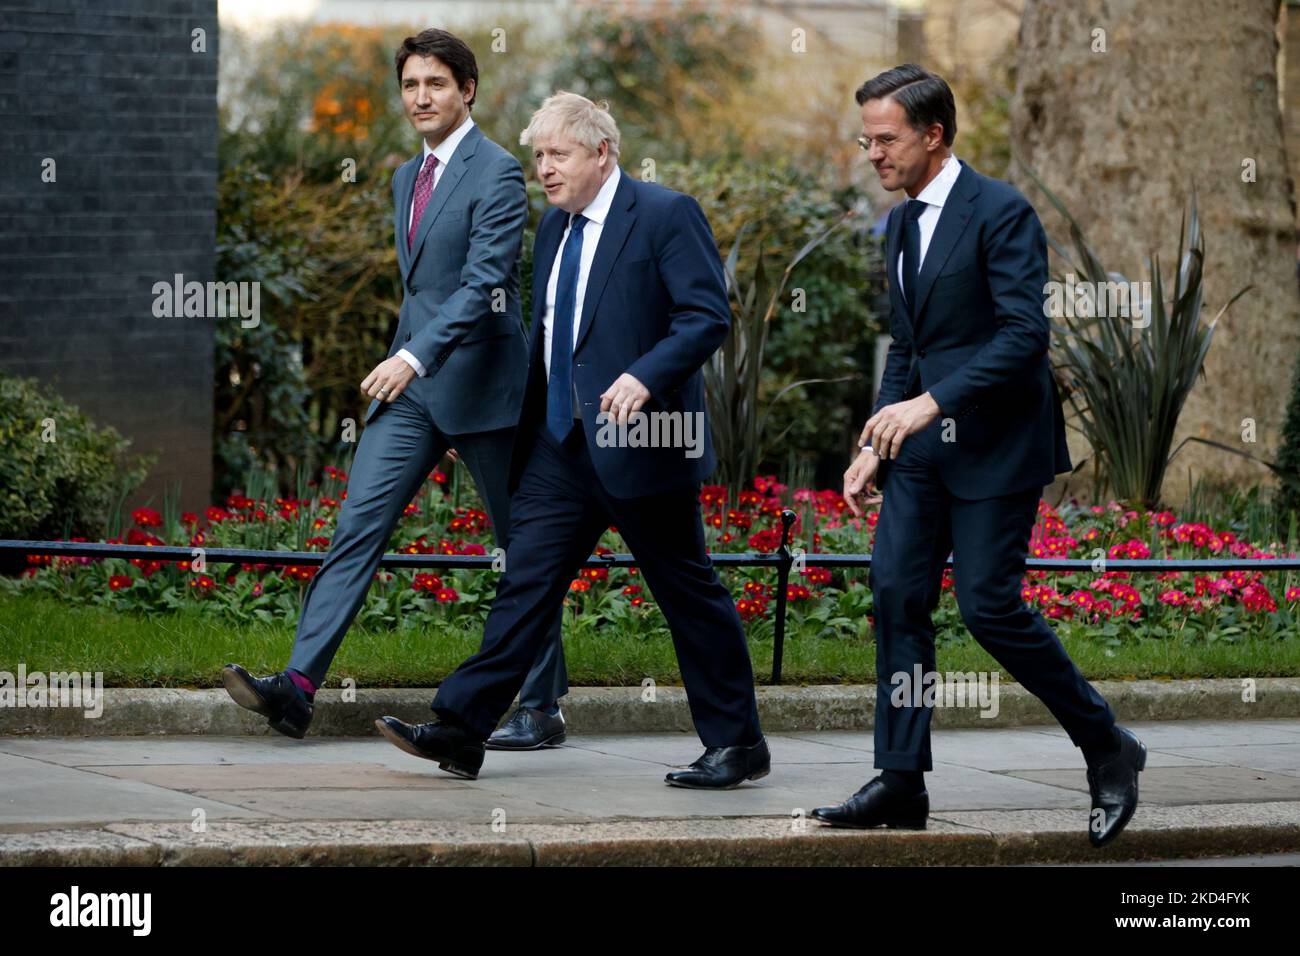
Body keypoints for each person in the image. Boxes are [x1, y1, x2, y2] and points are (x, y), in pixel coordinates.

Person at [375, 92, 768, 788]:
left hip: (644, 442)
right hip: (561, 446)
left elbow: (706, 317)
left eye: (557, 154)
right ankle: (463, 730)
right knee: (524, 585)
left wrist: (644, 378)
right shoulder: (554, 230)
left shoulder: (665, 215)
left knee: (688, 594)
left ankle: (737, 746)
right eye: (537, 158)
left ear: (601, 153)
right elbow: (553, 342)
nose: (544, 170)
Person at [813, 65, 1145, 848]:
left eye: (886, 139)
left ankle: (1107, 746)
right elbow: (909, 345)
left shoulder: (1001, 211)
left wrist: (933, 403)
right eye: (866, 139)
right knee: (897, 597)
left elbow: (1025, 336)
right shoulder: (896, 224)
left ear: (934, 134)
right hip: (922, 452)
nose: (872, 154)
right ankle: (900, 781)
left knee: (989, 608)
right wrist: (875, 444)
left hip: (997, 445)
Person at [222, 29, 569, 749]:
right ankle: (298, 689)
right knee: (357, 526)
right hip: (412, 394)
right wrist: (408, 362)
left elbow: (483, 287)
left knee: (523, 549)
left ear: (467, 90)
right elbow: (422, 288)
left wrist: (413, 355)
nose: (421, 97)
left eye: (436, 83)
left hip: (486, 389)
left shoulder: (500, 172)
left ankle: (541, 707)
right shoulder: (401, 178)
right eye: (410, 85)